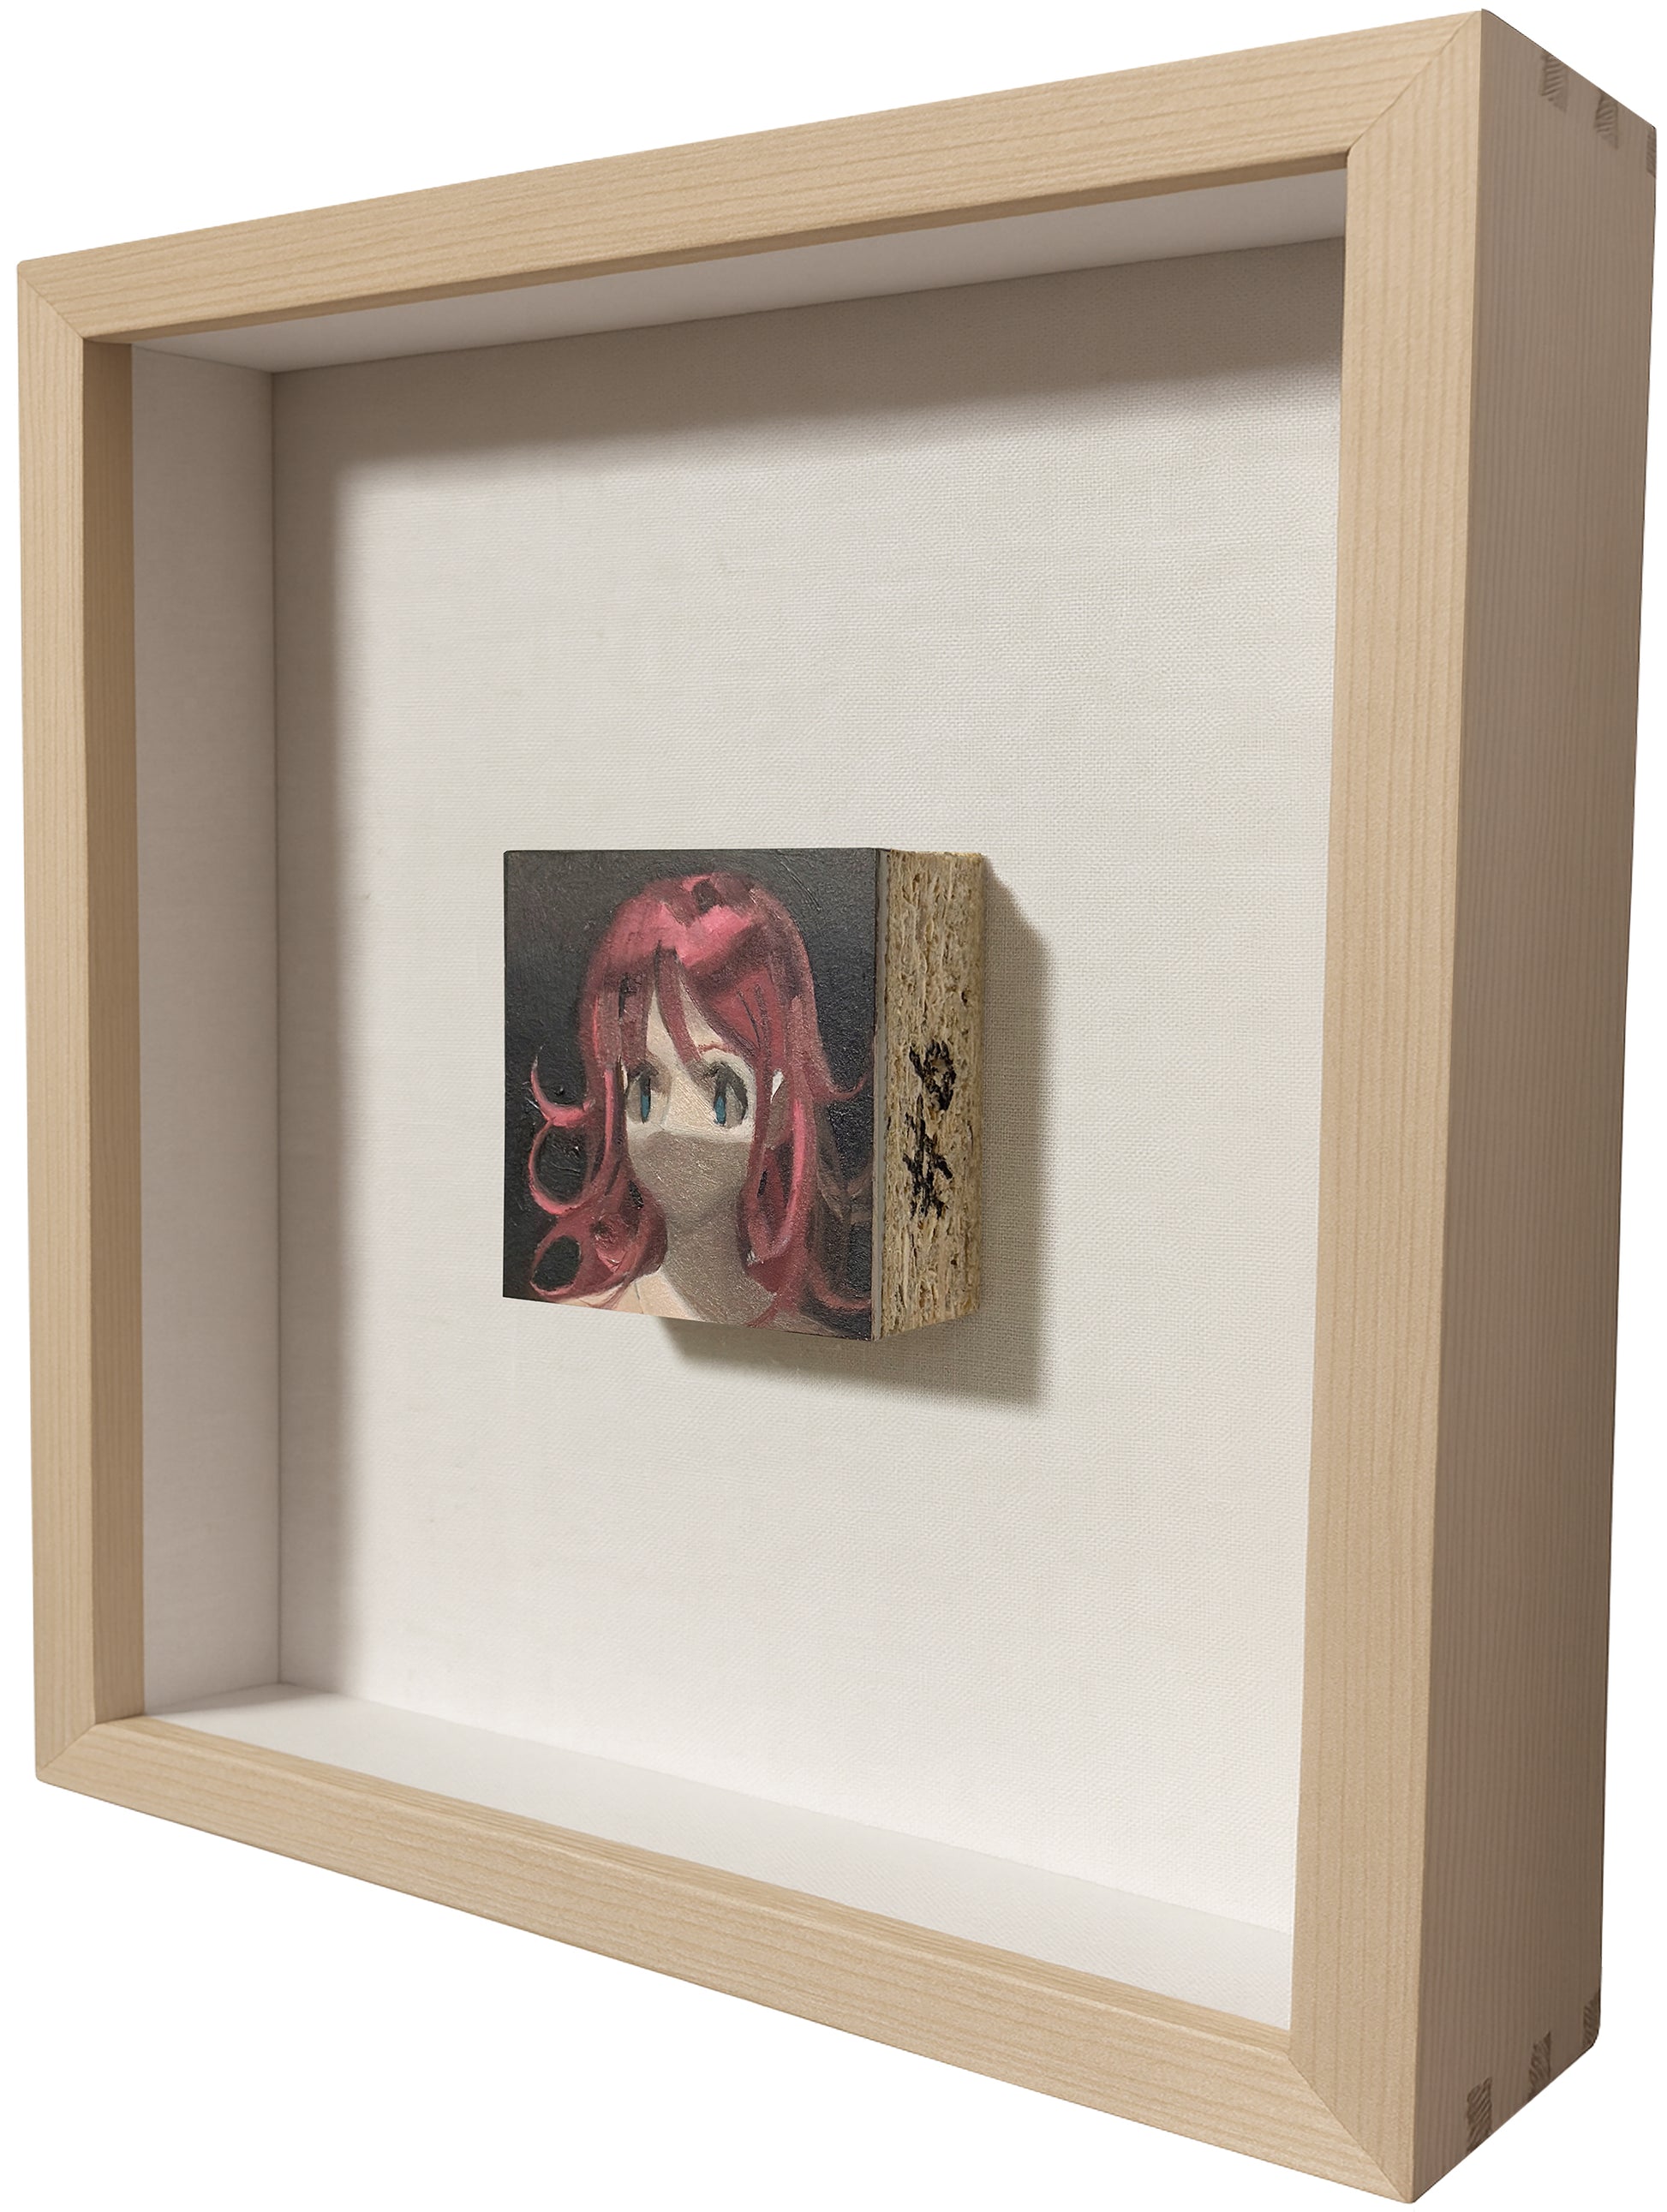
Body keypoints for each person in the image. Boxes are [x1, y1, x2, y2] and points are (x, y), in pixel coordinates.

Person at [528, 871, 869, 1331]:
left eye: (723, 1092)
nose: (670, 1126)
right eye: (644, 1088)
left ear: (779, 1108)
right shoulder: (576, 1325)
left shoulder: (809, 1341)